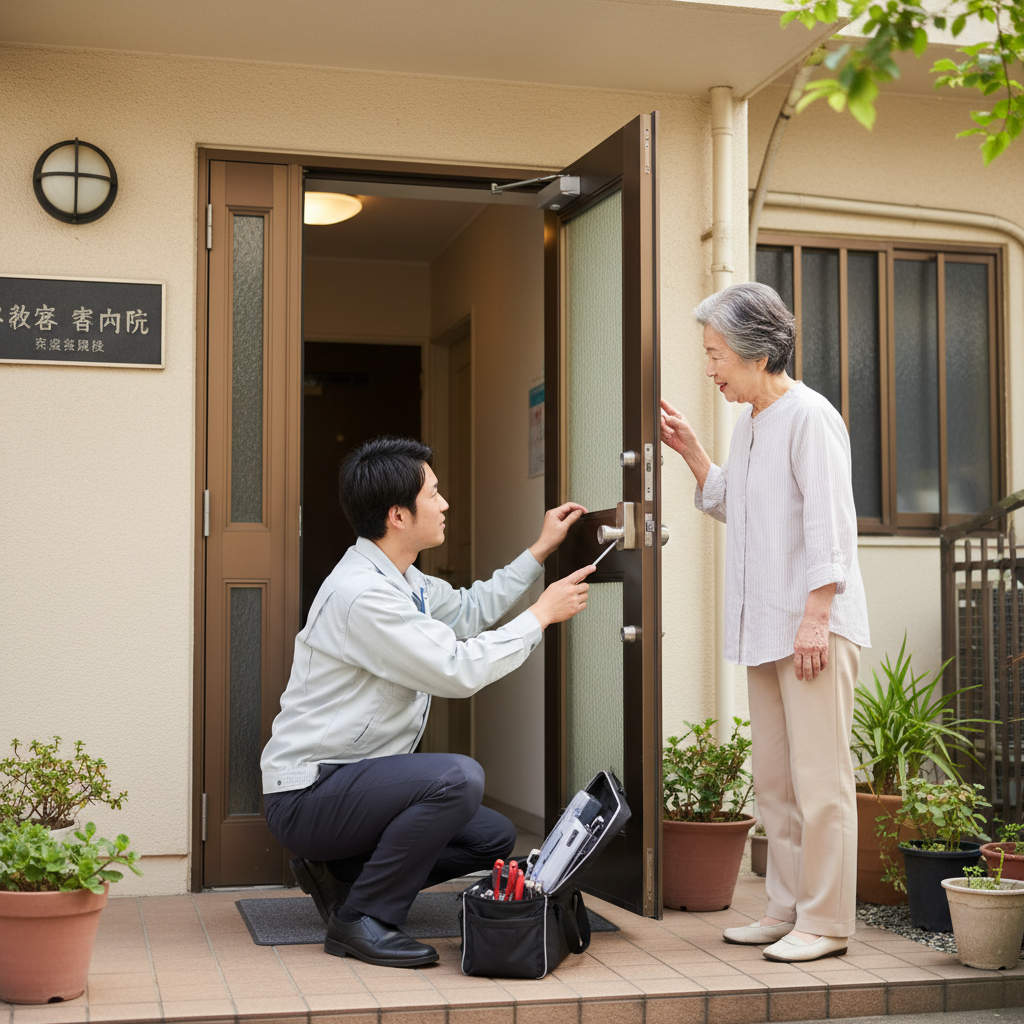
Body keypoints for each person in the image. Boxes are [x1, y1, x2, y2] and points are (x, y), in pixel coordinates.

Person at [260, 436, 595, 968]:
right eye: (433, 493)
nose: (443, 504)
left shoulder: (402, 579)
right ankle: (361, 919)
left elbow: (467, 609)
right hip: (310, 793)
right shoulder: (362, 595)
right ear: (397, 514)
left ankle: (341, 878)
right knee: (457, 778)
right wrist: (541, 616)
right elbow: (457, 670)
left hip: (348, 786)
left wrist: (540, 551)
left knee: (491, 836)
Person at [660, 282, 870, 964]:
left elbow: (831, 526)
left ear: (754, 351)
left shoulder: (811, 417)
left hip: (812, 626)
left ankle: (828, 922)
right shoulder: (749, 423)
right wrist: (693, 451)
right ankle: (785, 910)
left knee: (821, 780)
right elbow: (739, 508)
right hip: (766, 628)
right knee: (777, 782)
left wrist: (817, 617)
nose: (711, 368)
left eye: (716, 354)